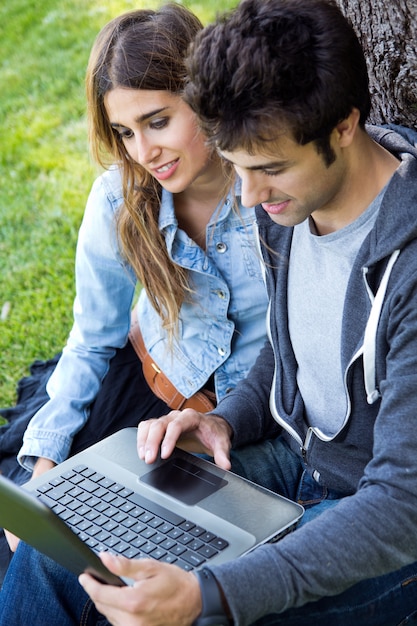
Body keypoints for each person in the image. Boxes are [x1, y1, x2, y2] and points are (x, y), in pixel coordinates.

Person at [2, 0, 417, 624]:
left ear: (343, 126)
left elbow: (401, 504)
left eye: (269, 169)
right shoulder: (288, 202)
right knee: (64, 541)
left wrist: (208, 594)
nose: (248, 198)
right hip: (292, 456)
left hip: (380, 519)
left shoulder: (404, 261)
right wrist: (224, 420)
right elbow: (287, 345)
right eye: (242, 170)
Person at [0, 3, 268, 581]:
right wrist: (44, 464)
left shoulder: (271, 186)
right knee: (34, 547)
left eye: (157, 120)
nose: (144, 153)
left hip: (245, 423)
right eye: (124, 132)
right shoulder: (121, 198)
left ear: (205, 95)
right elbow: (91, 340)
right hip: (150, 393)